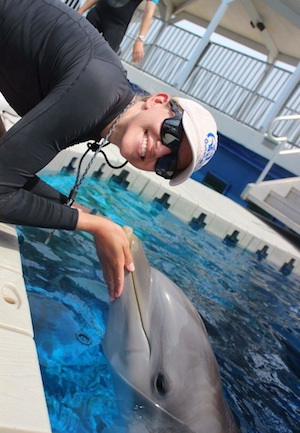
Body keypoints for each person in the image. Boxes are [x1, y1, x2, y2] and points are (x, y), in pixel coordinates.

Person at [0, 0, 218, 302]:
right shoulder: (95, 94)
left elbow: (8, 167)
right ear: (157, 101)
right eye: (172, 133)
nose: (160, 150)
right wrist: (93, 225)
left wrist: (79, 210)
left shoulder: (104, 105)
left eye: (167, 164)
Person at [77, 0, 158, 62]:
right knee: (77, 45)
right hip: (97, 14)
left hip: (117, 25)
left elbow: (149, 12)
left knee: (103, 59)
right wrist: (80, 11)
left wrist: (140, 40)